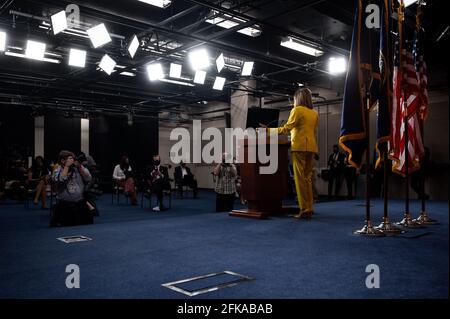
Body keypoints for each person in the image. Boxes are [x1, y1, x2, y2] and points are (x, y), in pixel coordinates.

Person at [261, 87, 319, 219]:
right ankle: (309, 208)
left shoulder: (297, 110)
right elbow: (313, 132)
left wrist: (268, 130)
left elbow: (287, 128)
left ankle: (304, 209)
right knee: (308, 179)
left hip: (299, 147)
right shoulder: (314, 113)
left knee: (299, 180)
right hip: (311, 147)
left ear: (298, 98)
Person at [50, 150, 94, 226]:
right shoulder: (57, 170)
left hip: (80, 204)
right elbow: (60, 179)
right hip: (65, 206)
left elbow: (88, 178)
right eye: (70, 158)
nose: (73, 160)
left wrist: (80, 167)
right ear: (63, 160)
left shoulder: (78, 168)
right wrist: (67, 166)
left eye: (73, 158)